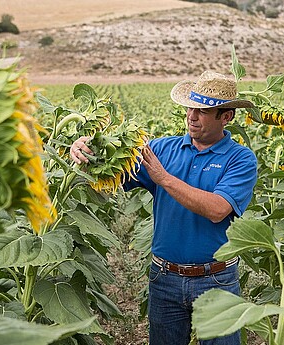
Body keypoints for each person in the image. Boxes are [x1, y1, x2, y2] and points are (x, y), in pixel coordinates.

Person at [70, 70, 258, 345]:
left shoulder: (240, 159)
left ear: (226, 116)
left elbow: (218, 209)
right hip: (165, 277)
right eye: (190, 108)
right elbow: (113, 173)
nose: (192, 116)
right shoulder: (161, 149)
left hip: (216, 279)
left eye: (202, 111)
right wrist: (86, 151)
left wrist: (164, 178)